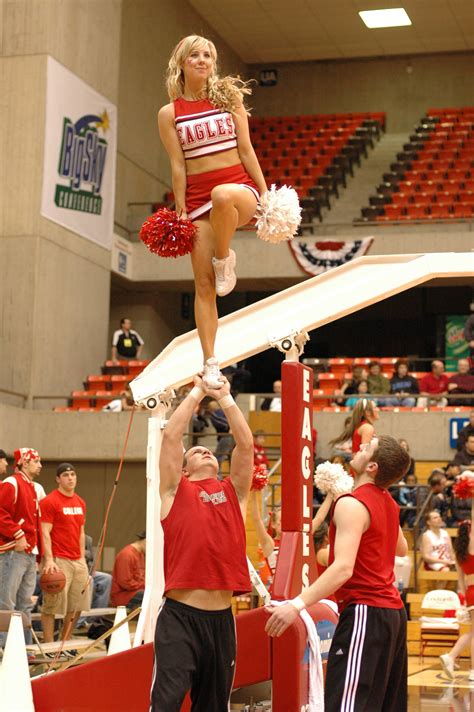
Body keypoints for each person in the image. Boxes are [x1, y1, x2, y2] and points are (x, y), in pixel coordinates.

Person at [265, 436, 410, 711]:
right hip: (394, 614)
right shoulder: (387, 502)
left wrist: (295, 605)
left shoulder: (351, 504)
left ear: (372, 467)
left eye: (367, 448)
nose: (358, 448)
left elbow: (343, 568)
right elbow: (401, 548)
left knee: (346, 704)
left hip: (366, 611)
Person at [158, 36, 267, 389]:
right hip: (198, 203)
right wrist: (181, 212)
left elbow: (247, 150)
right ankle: (210, 363)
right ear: (182, 63)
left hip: (239, 193)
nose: (202, 60)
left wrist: (267, 196)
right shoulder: (169, 114)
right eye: (195, 55)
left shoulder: (228, 97)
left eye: (208, 55)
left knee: (223, 195)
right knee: (203, 286)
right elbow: (178, 166)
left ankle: (224, 257)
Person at [150, 373, 253, 711]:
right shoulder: (174, 490)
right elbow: (170, 436)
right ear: (183, 470)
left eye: (209, 450)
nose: (206, 452)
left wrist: (224, 396)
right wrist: (196, 391)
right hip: (180, 618)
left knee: (213, 706)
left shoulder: (233, 491)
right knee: (167, 702)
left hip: (222, 621)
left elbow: (246, 444)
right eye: (197, 451)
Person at [40, 463, 91, 642]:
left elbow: (81, 532)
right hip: (58, 560)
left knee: (77, 606)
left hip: (78, 561)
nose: (70, 478)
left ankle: (64, 644)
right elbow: (44, 531)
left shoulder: (80, 502)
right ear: (58, 479)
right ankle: (48, 649)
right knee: (52, 607)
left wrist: (83, 559)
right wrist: (48, 560)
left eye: (72, 474)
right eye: (66, 475)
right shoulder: (49, 501)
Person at [0, 448, 43, 648]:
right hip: (12, 552)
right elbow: (1, 512)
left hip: (28, 553)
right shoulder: (12, 483)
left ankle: (23, 649)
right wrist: (18, 534)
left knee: (25, 603)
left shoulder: (33, 487)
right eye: (36, 461)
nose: (40, 465)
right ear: (25, 463)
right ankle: (4, 647)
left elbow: (36, 523)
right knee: (6, 602)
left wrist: (39, 554)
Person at [440, 510, 474, 680]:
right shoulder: (473, 544)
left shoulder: (460, 552)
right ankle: (471, 670)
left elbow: (460, 579)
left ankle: (451, 657)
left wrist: (465, 600)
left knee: (472, 631)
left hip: (469, 591)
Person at [110, 532, 146, 609]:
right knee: (151, 596)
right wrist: (144, 585)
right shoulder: (127, 554)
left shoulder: (141, 554)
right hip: (124, 595)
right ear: (147, 541)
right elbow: (125, 582)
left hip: (135, 592)